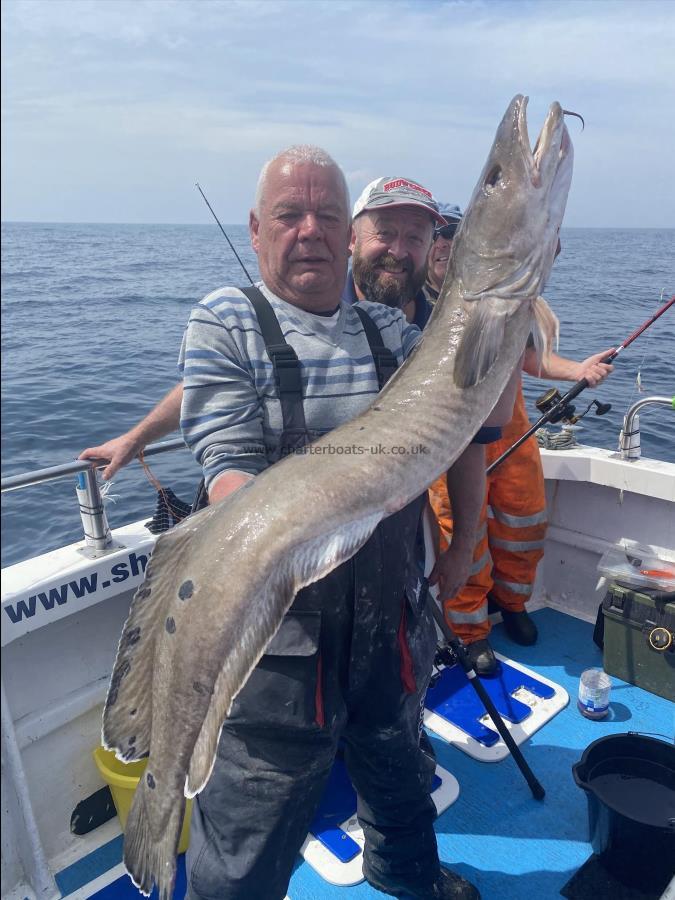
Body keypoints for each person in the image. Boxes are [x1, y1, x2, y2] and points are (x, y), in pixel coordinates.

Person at [178, 150, 520, 900]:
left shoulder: (387, 330)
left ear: (345, 230)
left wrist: (514, 300)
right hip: (279, 634)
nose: (310, 232)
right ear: (255, 229)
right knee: (251, 823)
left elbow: (480, 416)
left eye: (326, 215)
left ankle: (408, 878)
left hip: (391, 616)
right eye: (289, 216)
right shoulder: (226, 319)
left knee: (400, 766)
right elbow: (225, 466)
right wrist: (290, 519)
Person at [427, 230, 614, 674]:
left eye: (457, 242)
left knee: (524, 522)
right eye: (440, 242)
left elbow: (531, 360)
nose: (448, 250)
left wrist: (580, 371)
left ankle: (513, 603)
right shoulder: (420, 308)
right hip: (452, 440)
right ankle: (471, 632)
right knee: (463, 536)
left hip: (511, 432)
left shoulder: (509, 303)